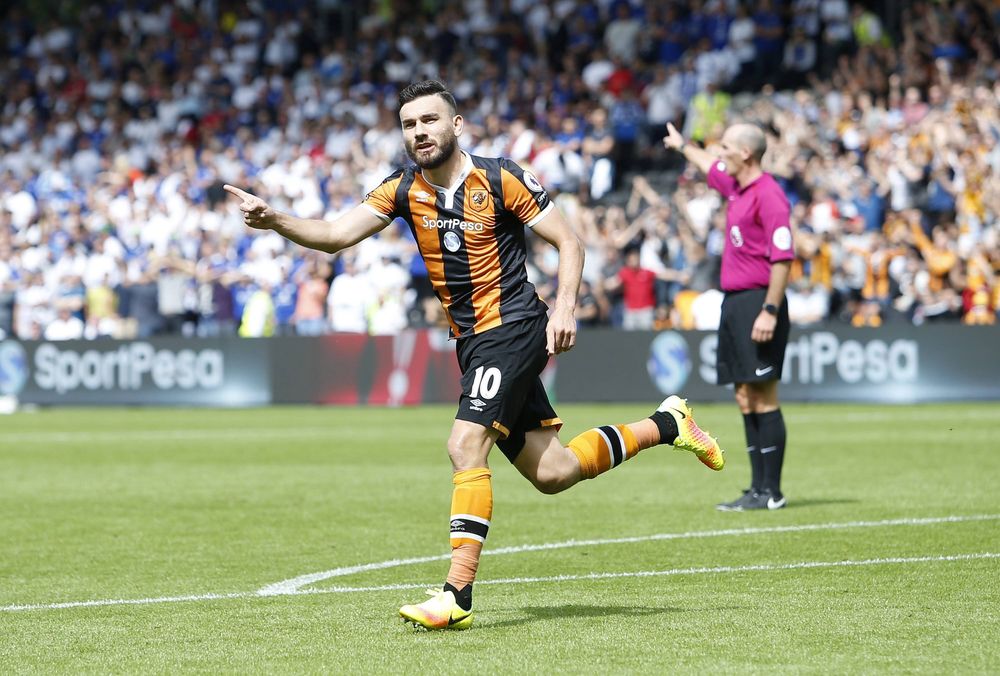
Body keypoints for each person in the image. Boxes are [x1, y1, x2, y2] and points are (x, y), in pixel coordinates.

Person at [224, 80, 726, 631]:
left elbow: (570, 242)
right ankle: (667, 423)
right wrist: (275, 220)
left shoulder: (501, 177)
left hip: (513, 326)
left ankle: (456, 595)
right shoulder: (401, 189)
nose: (420, 132)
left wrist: (564, 308)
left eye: (429, 120)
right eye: (409, 124)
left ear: (456, 125)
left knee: (465, 444)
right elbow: (333, 234)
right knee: (554, 471)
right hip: (473, 342)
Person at [663, 120, 793, 512]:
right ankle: (756, 489)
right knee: (744, 395)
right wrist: (683, 145)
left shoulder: (769, 195)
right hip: (734, 302)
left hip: (759, 301)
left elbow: (783, 258)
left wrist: (770, 309)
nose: (719, 153)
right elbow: (708, 164)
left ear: (746, 153)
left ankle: (771, 491)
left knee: (763, 395)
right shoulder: (737, 187)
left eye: (725, 147)